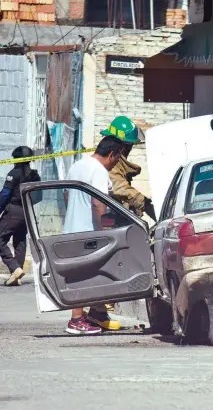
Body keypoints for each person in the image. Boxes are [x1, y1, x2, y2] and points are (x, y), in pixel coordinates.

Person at [64, 136, 123, 335]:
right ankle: (76, 320)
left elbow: (66, 195)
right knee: (84, 276)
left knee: (85, 274)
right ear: (112, 154)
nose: (116, 164)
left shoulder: (77, 166)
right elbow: (98, 203)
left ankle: (93, 314)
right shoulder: (98, 170)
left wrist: (75, 213)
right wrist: (104, 231)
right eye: (118, 158)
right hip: (89, 231)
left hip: (73, 227)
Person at [100, 116, 156, 222]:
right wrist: (146, 204)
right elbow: (122, 190)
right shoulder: (110, 166)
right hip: (107, 224)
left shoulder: (118, 164)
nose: (129, 149)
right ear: (122, 146)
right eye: (129, 145)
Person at [0, 146, 41, 287]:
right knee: (20, 241)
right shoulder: (35, 175)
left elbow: (5, 194)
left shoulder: (14, 173)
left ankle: (14, 268)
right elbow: (38, 197)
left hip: (14, 210)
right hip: (27, 212)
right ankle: (15, 276)